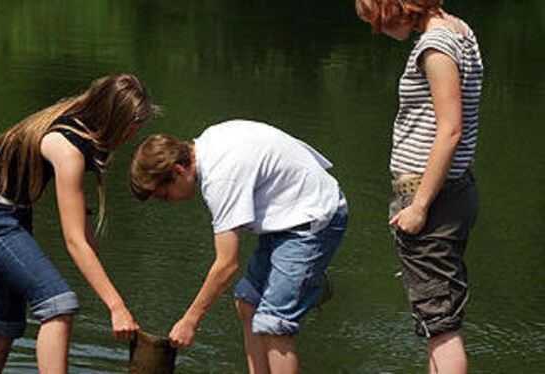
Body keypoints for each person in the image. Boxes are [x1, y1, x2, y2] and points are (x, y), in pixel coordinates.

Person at [0, 73, 154, 373]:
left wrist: (109, 291)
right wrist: (116, 307)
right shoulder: (68, 147)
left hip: (4, 213)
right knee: (59, 303)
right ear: (114, 117)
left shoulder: (83, 126)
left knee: (3, 326)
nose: (133, 135)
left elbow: (83, 231)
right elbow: (73, 241)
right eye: (133, 126)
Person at [129, 119, 348, 374]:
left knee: (273, 322)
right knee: (248, 304)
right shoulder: (205, 144)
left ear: (178, 171)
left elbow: (226, 265)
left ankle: (306, 281)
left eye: (165, 195)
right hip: (285, 214)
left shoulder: (220, 179)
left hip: (314, 217)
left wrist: (190, 321)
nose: (168, 202)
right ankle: (303, 284)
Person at [355, 1, 483, 373]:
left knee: (441, 325)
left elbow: (450, 130)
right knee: (437, 322)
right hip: (453, 191)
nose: (377, 30)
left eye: (374, 18)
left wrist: (419, 206)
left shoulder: (436, 46)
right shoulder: (460, 30)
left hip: (431, 198)